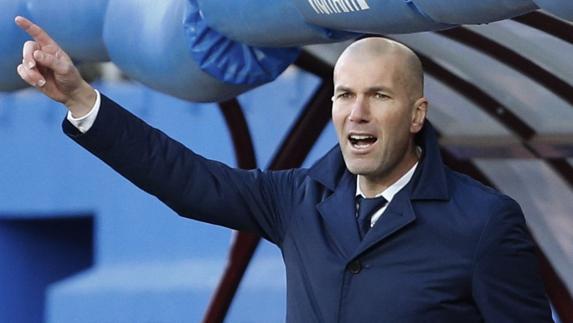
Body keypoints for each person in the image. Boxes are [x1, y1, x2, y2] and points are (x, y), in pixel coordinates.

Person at [15, 16, 553, 322]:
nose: (357, 112)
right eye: (345, 95)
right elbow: (186, 180)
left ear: (416, 115)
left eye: (378, 96)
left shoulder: (484, 221)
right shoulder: (300, 198)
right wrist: (82, 99)